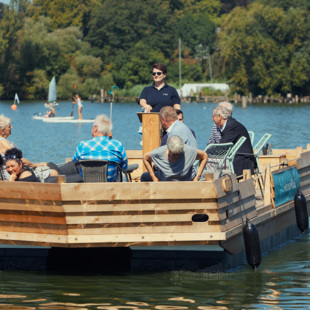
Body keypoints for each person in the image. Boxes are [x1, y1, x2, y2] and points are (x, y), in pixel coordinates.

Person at [72, 114, 128, 182]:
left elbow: (74, 162)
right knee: (122, 174)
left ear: (95, 128)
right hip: (110, 187)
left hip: (87, 187)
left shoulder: (82, 145)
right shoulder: (118, 145)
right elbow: (124, 166)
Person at [0, 115, 57, 181]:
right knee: (53, 172)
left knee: (49, 166)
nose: (11, 127)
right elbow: (18, 159)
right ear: (2, 130)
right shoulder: (2, 142)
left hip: (17, 171)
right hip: (15, 175)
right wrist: (34, 165)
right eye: (9, 126)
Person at [212, 106, 256, 176]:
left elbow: (221, 147)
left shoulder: (230, 126)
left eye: (213, 116)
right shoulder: (231, 123)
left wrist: (206, 152)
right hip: (240, 157)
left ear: (219, 117)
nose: (212, 118)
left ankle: (211, 182)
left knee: (208, 161)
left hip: (243, 160)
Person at [141, 135, 208, 182]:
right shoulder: (160, 152)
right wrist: (154, 178)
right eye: (173, 154)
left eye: (179, 154)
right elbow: (145, 157)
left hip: (185, 186)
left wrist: (197, 177)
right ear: (168, 149)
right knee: (144, 176)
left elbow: (204, 156)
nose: (176, 156)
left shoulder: (188, 151)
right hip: (165, 187)